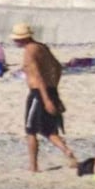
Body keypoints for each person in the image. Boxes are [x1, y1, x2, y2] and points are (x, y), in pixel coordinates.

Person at [12, 23, 76, 172]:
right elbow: (58, 67)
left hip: (38, 94)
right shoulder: (42, 47)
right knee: (49, 130)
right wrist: (54, 90)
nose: (14, 41)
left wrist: (46, 100)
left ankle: (33, 166)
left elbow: (38, 76)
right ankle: (66, 151)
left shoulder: (29, 51)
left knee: (30, 131)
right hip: (50, 90)